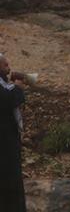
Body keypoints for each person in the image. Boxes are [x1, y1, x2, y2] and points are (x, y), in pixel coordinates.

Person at [0, 54, 27, 212]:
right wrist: (17, 88)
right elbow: (6, 101)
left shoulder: (4, 85)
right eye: (5, 65)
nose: (9, 69)